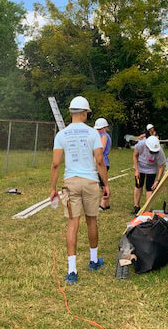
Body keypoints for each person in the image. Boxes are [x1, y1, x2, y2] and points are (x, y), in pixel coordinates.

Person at [50, 96, 110, 285]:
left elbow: (55, 164)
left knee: (72, 223)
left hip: (71, 182)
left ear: (70, 112)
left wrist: (53, 188)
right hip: (90, 181)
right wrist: (106, 184)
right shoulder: (93, 134)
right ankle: (93, 261)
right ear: (85, 113)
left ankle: (72, 271)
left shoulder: (62, 135)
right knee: (91, 220)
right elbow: (99, 161)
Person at [132, 135, 166, 215]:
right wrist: (137, 170)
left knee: (149, 188)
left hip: (151, 169)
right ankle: (136, 206)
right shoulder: (141, 144)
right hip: (140, 167)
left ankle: (148, 209)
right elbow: (135, 155)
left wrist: (157, 180)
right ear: (147, 147)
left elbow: (161, 166)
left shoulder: (160, 151)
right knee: (138, 185)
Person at [94, 118, 112, 211]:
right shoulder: (102, 135)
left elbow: (101, 149)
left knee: (102, 184)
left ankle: (103, 204)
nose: (98, 130)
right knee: (102, 183)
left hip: (102, 162)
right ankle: (106, 204)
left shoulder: (104, 136)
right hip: (103, 162)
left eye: (99, 128)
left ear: (104, 127)